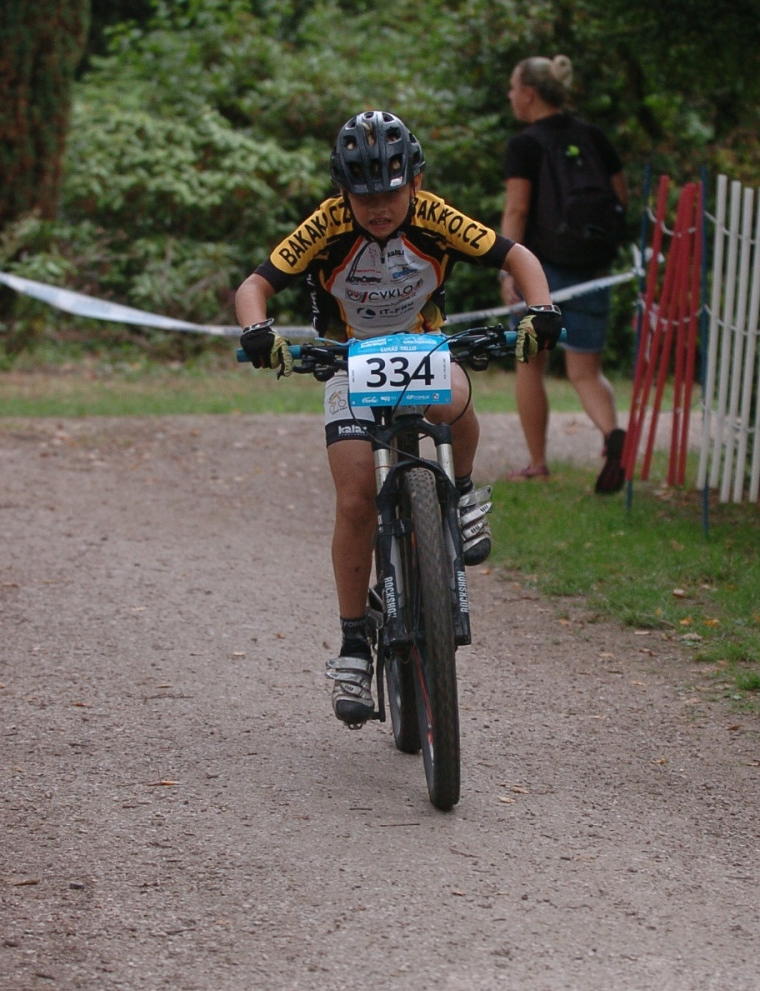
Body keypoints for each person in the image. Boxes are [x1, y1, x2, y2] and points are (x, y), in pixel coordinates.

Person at [233, 110, 562, 728]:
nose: (379, 207)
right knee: (356, 498)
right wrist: (257, 330)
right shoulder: (327, 225)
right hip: (347, 358)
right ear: (343, 193)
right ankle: (354, 644)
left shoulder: (435, 216)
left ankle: (462, 493)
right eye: (364, 197)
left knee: (455, 398)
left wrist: (540, 310)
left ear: (415, 183)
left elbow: (517, 256)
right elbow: (255, 285)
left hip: (422, 346)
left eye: (390, 192)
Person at [501, 54, 630, 494]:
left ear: (529, 93)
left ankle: (538, 463)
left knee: (530, 364)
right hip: (592, 267)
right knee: (585, 371)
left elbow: (518, 209)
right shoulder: (593, 135)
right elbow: (620, 197)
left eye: (513, 88)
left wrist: (508, 269)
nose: (510, 96)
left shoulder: (525, 145)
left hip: (540, 270)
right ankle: (612, 434)